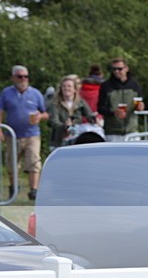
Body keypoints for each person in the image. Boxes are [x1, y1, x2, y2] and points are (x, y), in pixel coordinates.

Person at [0, 65, 49, 200]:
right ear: (13, 77)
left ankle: (34, 191)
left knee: (34, 161)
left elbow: (46, 113)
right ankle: (13, 188)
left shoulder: (36, 93)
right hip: (12, 134)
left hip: (32, 134)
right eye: (20, 76)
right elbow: (1, 111)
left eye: (25, 76)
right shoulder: (6, 93)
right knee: (12, 163)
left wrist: (40, 117)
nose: (23, 79)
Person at [98, 57, 144, 141]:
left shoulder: (135, 85)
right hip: (112, 132)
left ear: (126, 68)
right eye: (114, 69)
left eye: (119, 69)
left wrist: (140, 107)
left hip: (132, 131)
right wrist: (113, 112)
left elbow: (140, 102)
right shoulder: (106, 86)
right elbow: (100, 108)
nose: (116, 71)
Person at [47, 75, 96, 148]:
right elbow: (53, 122)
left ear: (75, 89)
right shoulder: (55, 104)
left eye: (69, 86)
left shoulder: (81, 102)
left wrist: (94, 120)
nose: (66, 88)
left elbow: (89, 115)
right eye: (64, 86)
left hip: (76, 141)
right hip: (58, 141)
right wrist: (65, 126)